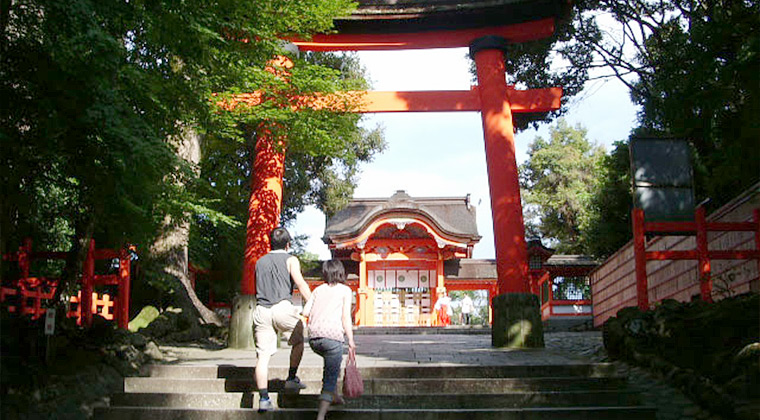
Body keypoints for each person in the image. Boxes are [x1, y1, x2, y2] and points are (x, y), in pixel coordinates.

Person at [253, 227, 312, 412]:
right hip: (282, 306)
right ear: (288, 244)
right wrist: (313, 303)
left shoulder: (259, 262)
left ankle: (263, 398)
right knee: (298, 341)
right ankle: (292, 378)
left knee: (262, 357)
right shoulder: (290, 259)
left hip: (262, 309)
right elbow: (300, 283)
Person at [302, 260, 356, 420]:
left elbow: (305, 311)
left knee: (331, 368)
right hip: (333, 338)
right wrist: (351, 340)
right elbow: (345, 316)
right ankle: (320, 416)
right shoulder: (345, 290)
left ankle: (336, 396)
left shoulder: (318, 290)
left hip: (314, 338)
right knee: (330, 376)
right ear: (341, 272)